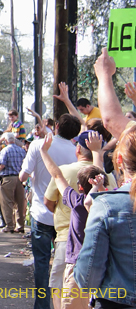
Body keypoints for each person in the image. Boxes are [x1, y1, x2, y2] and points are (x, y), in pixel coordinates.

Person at [74, 50, 136, 308]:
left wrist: (104, 75)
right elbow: (113, 122)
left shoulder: (109, 206)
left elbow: (86, 279)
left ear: (119, 161)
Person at [44, 128, 115, 309]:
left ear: (80, 187)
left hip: (75, 262)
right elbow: (99, 176)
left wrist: (43, 151)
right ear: (102, 182)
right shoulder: (108, 202)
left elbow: (56, 175)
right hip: (103, 264)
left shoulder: (76, 201)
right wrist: (98, 152)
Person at [19, 114, 81, 309]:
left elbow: (23, 176)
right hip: (65, 217)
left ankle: (43, 305)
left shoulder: (39, 145)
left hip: (41, 213)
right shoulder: (76, 151)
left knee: (42, 262)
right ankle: (63, 303)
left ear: (56, 128)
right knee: (64, 264)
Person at [0, 132, 27, 233]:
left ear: (5, 141)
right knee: (19, 202)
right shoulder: (21, 151)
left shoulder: (5, 150)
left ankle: (10, 225)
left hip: (8, 178)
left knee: (7, 202)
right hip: (20, 178)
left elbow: (2, 165)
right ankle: (20, 225)